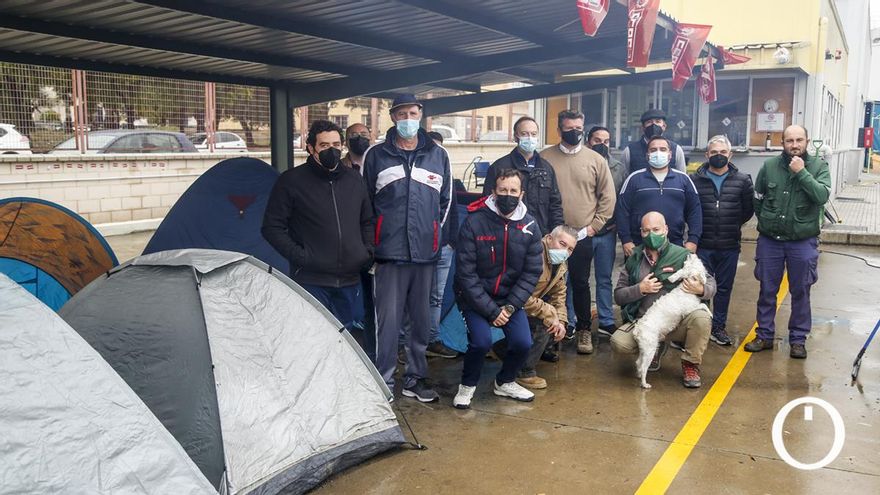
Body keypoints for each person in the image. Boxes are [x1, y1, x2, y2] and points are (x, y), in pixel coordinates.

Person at [362, 94, 452, 402]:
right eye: (402, 114)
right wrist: (372, 243)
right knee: (387, 322)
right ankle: (384, 380)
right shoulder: (376, 155)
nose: (408, 119)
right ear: (392, 117)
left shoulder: (438, 154)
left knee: (421, 320)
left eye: (413, 113)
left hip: (426, 253)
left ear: (421, 115)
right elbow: (365, 204)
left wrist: (435, 237)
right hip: (388, 254)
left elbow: (446, 202)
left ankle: (416, 378)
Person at [262, 120, 373, 328]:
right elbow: (272, 227)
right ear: (311, 148)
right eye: (324, 146)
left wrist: (365, 252)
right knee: (313, 337)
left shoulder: (354, 180)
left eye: (336, 145)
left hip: (350, 279)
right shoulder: (291, 181)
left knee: (346, 337)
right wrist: (301, 256)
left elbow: (367, 221)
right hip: (311, 280)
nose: (331, 150)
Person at [453, 169, 544, 408]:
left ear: (521, 194)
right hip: (475, 298)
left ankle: (505, 382)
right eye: (503, 190)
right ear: (493, 191)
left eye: (513, 191)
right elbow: (465, 274)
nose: (508, 195)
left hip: (509, 299)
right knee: (481, 342)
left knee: (523, 343)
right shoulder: (475, 222)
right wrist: (492, 311)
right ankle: (467, 385)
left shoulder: (531, 226)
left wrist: (511, 305)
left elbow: (531, 272)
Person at [745, 125, 830, 359]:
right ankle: (764, 335)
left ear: (807, 141)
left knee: (801, 290)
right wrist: (768, 221)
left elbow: (822, 196)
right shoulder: (769, 167)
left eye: (799, 140)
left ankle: (798, 340)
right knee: (767, 289)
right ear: (782, 143)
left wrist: (801, 173)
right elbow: (758, 198)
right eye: (789, 140)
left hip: (802, 242)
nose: (794, 145)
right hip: (771, 241)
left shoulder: (819, 167)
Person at [610, 212, 716, 388]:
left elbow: (710, 281)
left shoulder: (682, 255)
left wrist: (701, 289)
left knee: (702, 318)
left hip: (677, 322)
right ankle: (656, 348)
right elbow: (619, 295)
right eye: (646, 231)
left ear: (666, 229)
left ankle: (691, 364)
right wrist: (640, 289)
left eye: (656, 229)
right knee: (619, 343)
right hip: (645, 321)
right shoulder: (634, 258)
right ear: (641, 233)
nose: (651, 235)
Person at [541, 110, 616, 355]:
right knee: (547, 284)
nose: (574, 132)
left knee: (581, 284)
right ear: (559, 129)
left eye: (578, 128)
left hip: (582, 236)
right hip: (551, 237)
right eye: (569, 127)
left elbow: (608, 196)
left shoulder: (596, 160)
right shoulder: (545, 158)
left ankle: (584, 329)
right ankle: (548, 335)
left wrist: (594, 226)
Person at [493, 225, 577, 389]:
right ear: (549, 238)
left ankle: (502, 349)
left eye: (571, 249)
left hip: (522, 304)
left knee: (556, 328)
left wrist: (561, 319)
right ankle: (524, 371)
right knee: (544, 324)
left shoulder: (560, 263)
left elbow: (560, 294)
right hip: (503, 302)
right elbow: (517, 293)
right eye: (562, 243)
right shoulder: (533, 255)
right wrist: (549, 313)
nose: (565, 251)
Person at [690, 135, 755, 346]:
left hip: (729, 245)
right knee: (701, 289)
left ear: (730, 154)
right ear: (707, 155)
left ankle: (718, 327)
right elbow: (690, 210)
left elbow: (747, 210)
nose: (719, 156)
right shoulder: (694, 180)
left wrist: (730, 224)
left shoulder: (743, 180)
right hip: (703, 244)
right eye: (714, 153)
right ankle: (701, 326)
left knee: (724, 288)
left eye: (723, 152)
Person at [404, 130, 458, 359]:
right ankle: (404, 344)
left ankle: (432, 339)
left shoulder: (448, 179)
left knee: (436, 297)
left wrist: (452, 242)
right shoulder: (412, 181)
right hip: (417, 247)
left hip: (444, 247)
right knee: (411, 296)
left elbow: (451, 211)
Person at [617, 136, 702, 258]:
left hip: (675, 246)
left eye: (663, 149)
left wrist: (693, 240)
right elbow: (622, 210)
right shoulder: (634, 179)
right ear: (647, 155)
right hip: (639, 246)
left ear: (670, 154)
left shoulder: (683, 179)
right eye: (653, 150)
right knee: (640, 277)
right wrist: (626, 240)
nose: (658, 153)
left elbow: (695, 211)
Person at [483, 116, 564, 237]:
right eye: (524, 134)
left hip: (540, 236)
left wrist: (556, 234)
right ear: (516, 136)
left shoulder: (546, 168)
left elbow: (555, 205)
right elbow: (487, 204)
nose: (530, 138)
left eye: (533, 134)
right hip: (507, 236)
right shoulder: (499, 167)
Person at [586, 125, 627, 337]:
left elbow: (622, 200)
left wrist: (619, 225)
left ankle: (606, 319)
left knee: (604, 278)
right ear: (588, 141)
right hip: (581, 232)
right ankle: (573, 319)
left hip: (607, 232)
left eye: (606, 141)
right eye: (597, 140)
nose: (602, 144)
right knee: (576, 278)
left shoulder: (618, 167)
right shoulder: (579, 162)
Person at [621, 108, 687, 174]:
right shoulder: (629, 151)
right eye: (649, 122)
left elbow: (682, 178)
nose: (653, 125)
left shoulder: (676, 150)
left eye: (658, 122)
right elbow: (624, 178)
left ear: (664, 126)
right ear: (643, 128)